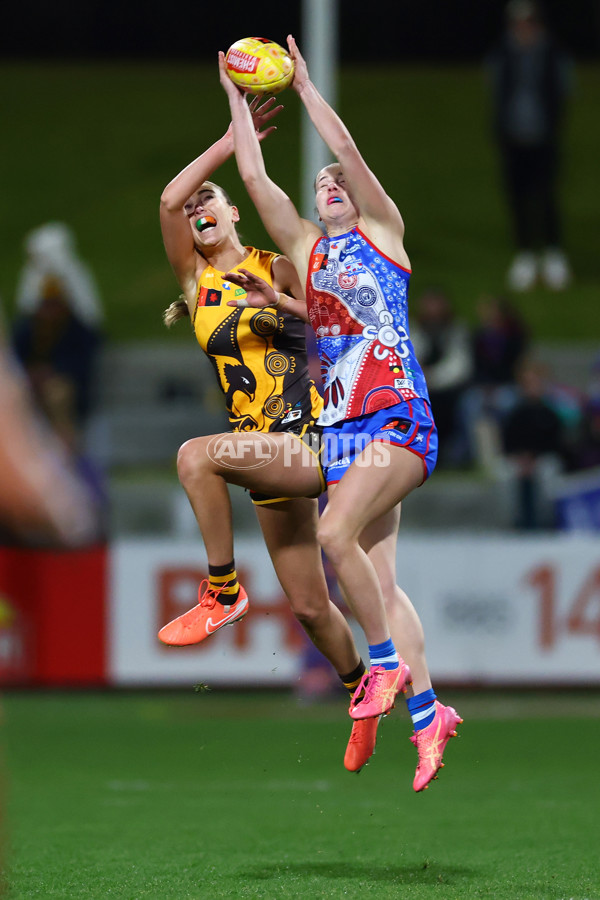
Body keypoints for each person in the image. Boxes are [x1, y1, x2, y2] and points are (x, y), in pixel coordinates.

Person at [214, 36, 462, 791]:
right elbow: (254, 179)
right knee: (378, 586)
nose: (328, 182)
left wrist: (309, 88)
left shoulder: (383, 235)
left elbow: (346, 147)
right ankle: (428, 716)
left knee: (330, 534)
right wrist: (232, 96)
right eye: (320, 182)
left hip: (398, 421)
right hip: (345, 432)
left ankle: (380, 670)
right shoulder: (308, 252)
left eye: (337, 181)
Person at [155, 97, 376, 773]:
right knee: (311, 608)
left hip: (308, 437)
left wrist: (277, 303)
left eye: (210, 199)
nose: (196, 208)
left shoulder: (273, 264)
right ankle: (362, 691)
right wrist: (228, 138)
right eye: (194, 206)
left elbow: (337, 324)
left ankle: (222, 590)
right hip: (261, 454)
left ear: (235, 212)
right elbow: (166, 200)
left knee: (196, 457)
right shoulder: (196, 282)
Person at [487, 0, 573, 291]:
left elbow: (564, 89)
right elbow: (496, 92)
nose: (523, 31)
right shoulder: (503, 56)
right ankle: (525, 253)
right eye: (518, 25)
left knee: (546, 195)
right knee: (517, 197)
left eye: (528, 25)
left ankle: (552, 253)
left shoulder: (551, 54)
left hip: (544, 139)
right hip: (513, 141)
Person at [409, 287, 472, 468]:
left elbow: (460, 365)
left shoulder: (456, 329)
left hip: (450, 387)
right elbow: (410, 356)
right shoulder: (414, 327)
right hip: (420, 384)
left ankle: (449, 453)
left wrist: (433, 377)